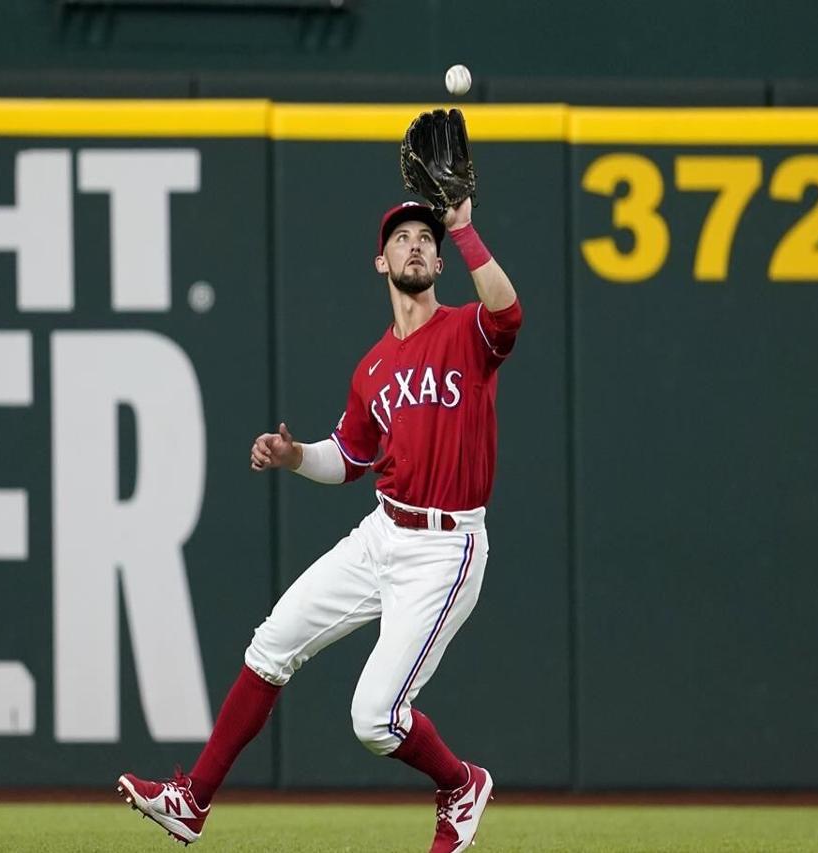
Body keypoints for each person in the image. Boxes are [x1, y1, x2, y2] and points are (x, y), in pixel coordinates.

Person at [117, 197, 522, 853]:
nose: (414, 244)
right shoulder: (372, 368)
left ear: (439, 259)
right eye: (401, 238)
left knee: (373, 718)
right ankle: (191, 801)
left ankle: (459, 784)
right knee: (271, 643)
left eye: (425, 237)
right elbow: (351, 460)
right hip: (382, 531)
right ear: (380, 260)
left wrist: (465, 227)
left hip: (445, 548)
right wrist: (296, 455)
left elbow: (508, 312)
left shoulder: (469, 330)